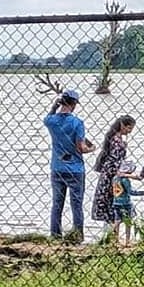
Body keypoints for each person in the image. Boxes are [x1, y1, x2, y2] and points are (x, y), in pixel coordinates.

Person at [43, 89, 94, 241]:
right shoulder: (77, 123)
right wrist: (92, 148)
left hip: (57, 167)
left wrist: (53, 106)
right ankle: (77, 235)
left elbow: (46, 118)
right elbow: (81, 148)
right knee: (76, 204)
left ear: (61, 102)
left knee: (57, 204)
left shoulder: (52, 122)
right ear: (74, 104)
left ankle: (55, 234)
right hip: (75, 168)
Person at [91, 114, 136, 235]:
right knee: (113, 205)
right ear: (123, 126)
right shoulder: (117, 141)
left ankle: (109, 235)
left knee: (110, 206)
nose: (130, 131)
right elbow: (114, 161)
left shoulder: (114, 138)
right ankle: (111, 235)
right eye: (129, 128)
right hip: (112, 177)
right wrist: (124, 173)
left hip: (107, 174)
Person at [111, 158, 144, 245]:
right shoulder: (125, 180)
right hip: (125, 203)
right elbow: (131, 192)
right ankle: (127, 241)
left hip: (116, 202)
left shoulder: (115, 178)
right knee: (128, 222)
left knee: (117, 220)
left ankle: (115, 240)